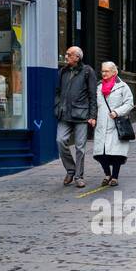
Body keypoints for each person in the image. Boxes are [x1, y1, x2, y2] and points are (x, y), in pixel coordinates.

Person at [54, 46, 98, 188]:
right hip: (64, 114)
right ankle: (71, 170)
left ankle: (79, 176)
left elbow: (92, 95)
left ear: (77, 57)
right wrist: (57, 106)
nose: (66, 56)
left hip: (81, 115)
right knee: (60, 140)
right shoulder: (63, 71)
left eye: (69, 54)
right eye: (66, 54)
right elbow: (58, 92)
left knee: (80, 147)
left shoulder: (87, 71)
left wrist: (92, 115)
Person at [93, 62, 134, 186]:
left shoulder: (122, 87)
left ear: (114, 72)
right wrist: (92, 117)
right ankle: (107, 174)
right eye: (102, 71)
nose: (104, 73)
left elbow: (129, 103)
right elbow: (94, 104)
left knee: (116, 153)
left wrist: (117, 112)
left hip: (116, 124)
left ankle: (114, 176)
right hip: (101, 124)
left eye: (107, 71)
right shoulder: (98, 87)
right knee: (101, 154)